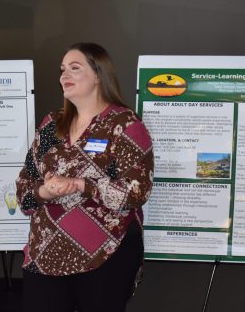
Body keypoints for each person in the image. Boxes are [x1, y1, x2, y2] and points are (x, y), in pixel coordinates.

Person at [16, 43, 154, 312]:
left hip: (104, 254)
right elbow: (23, 189)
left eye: (75, 68)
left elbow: (137, 191)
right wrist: (46, 191)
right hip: (45, 256)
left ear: (98, 75)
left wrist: (81, 185)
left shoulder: (124, 125)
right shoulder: (51, 127)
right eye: (62, 70)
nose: (64, 75)